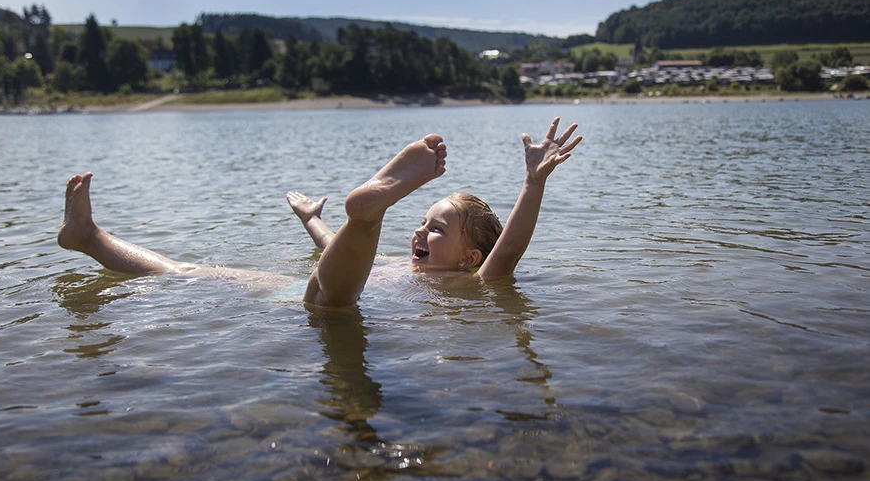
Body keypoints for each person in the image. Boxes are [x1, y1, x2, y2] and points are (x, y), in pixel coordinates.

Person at [58, 117, 581, 308]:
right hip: (295, 293)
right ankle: (89, 236)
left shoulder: (471, 282)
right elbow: (336, 254)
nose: (420, 232)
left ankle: (368, 212)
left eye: (436, 228)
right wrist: (311, 219)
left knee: (337, 298)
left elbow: (508, 249)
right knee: (185, 272)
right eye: (421, 221)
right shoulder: (409, 271)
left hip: (331, 298)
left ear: (470, 257)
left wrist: (532, 183)